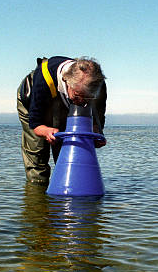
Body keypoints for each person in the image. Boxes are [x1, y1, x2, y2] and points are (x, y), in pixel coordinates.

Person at [16, 56, 107, 185]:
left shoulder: (97, 84)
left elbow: (98, 117)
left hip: (64, 103)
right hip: (32, 101)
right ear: (67, 81)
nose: (82, 102)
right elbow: (35, 123)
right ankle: (37, 197)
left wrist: (95, 134)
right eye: (78, 96)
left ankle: (67, 193)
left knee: (68, 153)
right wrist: (46, 131)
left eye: (88, 97)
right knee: (37, 156)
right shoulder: (44, 79)